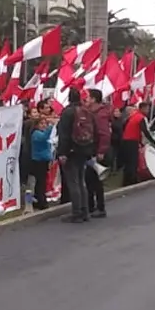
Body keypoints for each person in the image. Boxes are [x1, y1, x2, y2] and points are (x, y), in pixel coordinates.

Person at [56, 88, 98, 223]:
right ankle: (85, 211)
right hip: (84, 149)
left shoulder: (68, 112)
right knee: (81, 181)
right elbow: (95, 131)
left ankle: (77, 212)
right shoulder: (87, 111)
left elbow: (63, 135)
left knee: (73, 182)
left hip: (71, 150)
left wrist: (62, 152)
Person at [84, 89, 111, 218]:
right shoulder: (93, 113)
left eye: (88, 97)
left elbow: (104, 134)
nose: (86, 99)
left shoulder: (100, 115)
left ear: (94, 99)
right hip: (92, 149)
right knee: (90, 180)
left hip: (96, 151)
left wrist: (101, 151)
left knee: (95, 180)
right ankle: (92, 206)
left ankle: (99, 208)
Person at [121, 102, 155, 187]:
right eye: (147, 109)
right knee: (133, 162)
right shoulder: (141, 117)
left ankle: (126, 181)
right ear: (142, 108)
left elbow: (124, 125)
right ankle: (132, 181)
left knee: (128, 162)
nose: (148, 111)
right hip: (132, 141)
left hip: (125, 140)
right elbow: (145, 131)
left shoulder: (133, 115)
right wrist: (154, 142)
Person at [29, 116, 54, 210]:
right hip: (38, 161)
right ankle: (41, 201)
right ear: (36, 125)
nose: (44, 125)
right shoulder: (36, 134)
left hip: (44, 160)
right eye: (41, 123)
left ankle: (38, 199)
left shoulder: (42, 133)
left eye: (45, 124)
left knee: (42, 181)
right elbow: (44, 138)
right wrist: (50, 126)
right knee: (41, 182)